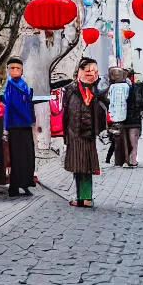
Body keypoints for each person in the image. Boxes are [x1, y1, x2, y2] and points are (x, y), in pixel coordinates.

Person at [62, 57, 108, 207]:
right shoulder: (70, 89)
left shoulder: (96, 90)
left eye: (94, 70)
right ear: (80, 71)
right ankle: (80, 197)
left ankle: (86, 197)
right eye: (87, 70)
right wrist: (66, 134)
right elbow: (65, 113)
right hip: (74, 133)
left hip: (88, 135)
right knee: (77, 167)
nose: (91, 73)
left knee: (87, 168)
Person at [0, 56, 35, 198]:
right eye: (12, 68)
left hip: (25, 126)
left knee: (27, 156)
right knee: (16, 158)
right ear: (8, 70)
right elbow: (8, 108)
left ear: (22, 70)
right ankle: (14, 187)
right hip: (14, 126)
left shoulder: (24, 85)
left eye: (18, 68)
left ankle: (26, 184)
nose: (15, 71)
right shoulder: (7, 87)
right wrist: (5, 128)